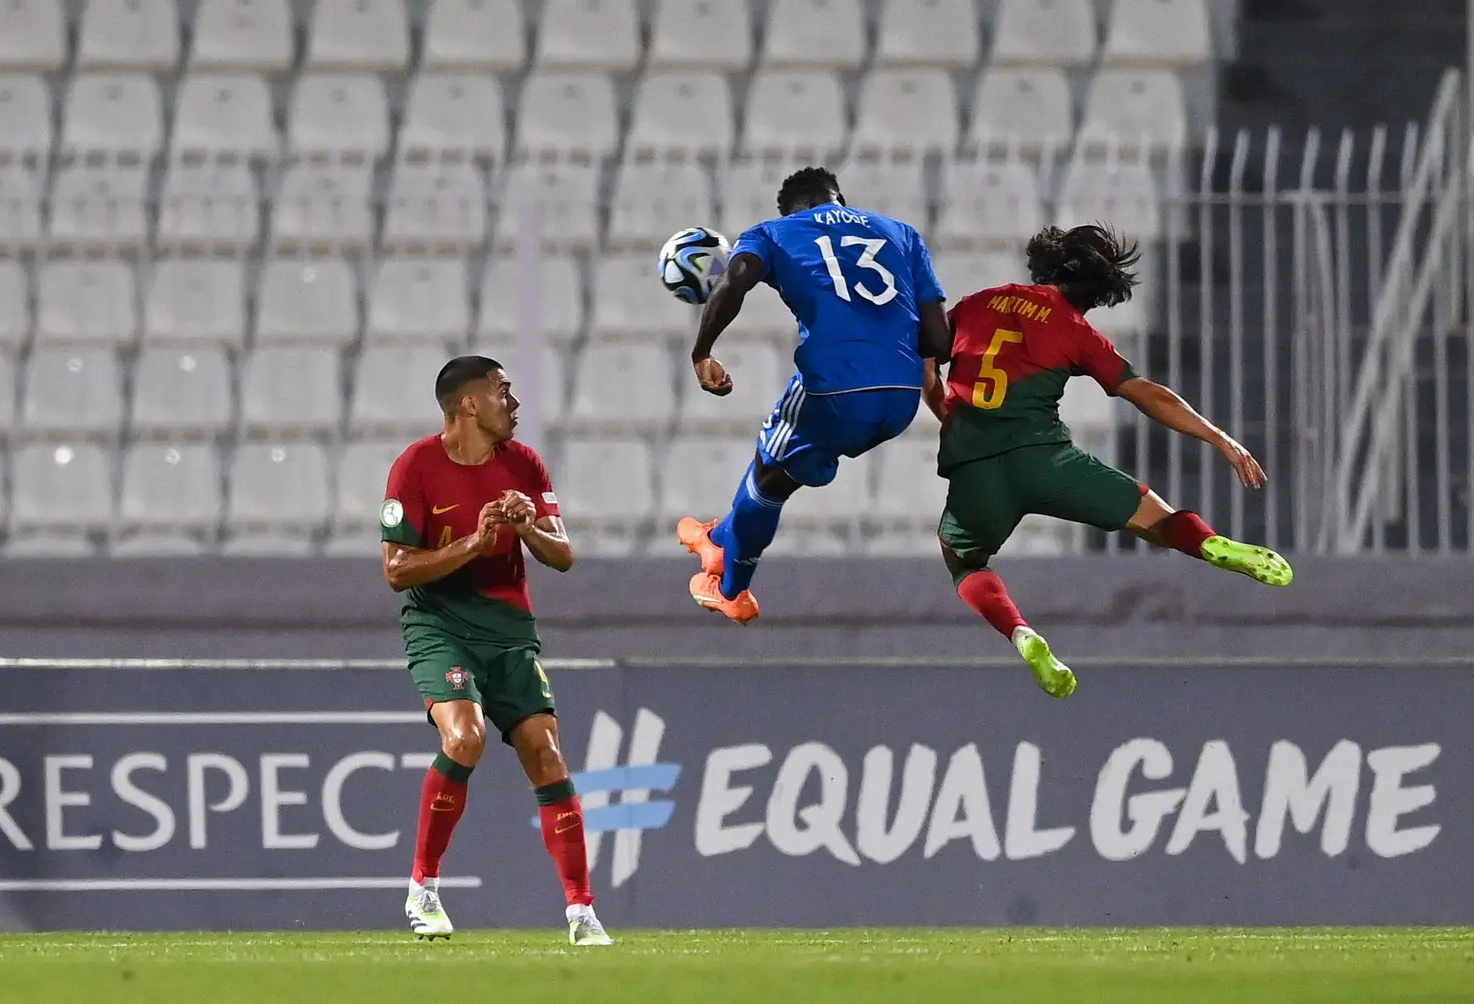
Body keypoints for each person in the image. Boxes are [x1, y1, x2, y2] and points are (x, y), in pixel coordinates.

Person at [927, 224, 1294, 698]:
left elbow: (927, 355)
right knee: (1155, 517)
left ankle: (1023, 634)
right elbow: (1147, 394)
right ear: (1100, 289)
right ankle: (1211, 545)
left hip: (974, 468)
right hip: (1047, 462)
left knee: (963, 560)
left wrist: (947, 412)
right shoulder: (1075, 330)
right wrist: (1218, 436)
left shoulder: (979, 302)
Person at [378, 355, 612, 946]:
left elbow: (562, 556)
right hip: (441, 625)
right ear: (469, 404)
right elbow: (397, 570)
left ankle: (582, 912)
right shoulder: (415, 468)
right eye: (503, 390)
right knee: (465, 737)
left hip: (508, 631)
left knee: (547, 753)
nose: (514, 401)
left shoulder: (524, 464)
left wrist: (526, 527)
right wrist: (476, 543)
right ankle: (423, 888)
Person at [679, 166, 952, 622]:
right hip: (901, 399)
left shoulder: (775, 232)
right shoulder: (902, 235)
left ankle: (731, 587)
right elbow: (939, 342)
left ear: (792, 210)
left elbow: (737, 275)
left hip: (837, 387)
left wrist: (702, 351)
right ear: (838, 198)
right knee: (783, 472)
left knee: (766, 473)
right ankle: (721, 539)